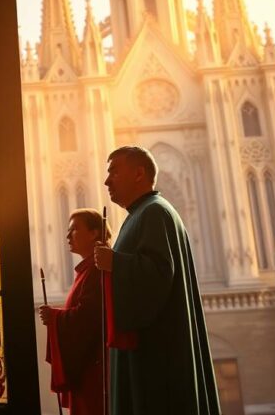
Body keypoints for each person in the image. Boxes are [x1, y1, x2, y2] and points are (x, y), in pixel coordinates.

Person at [94, 146, 220, 415]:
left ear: (139, 173)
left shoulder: (154, 212)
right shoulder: (141, 214)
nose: (107, 181)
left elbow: (159, 274)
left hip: (156, 357)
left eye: (114, 172)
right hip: (147, 351)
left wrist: (114, 262)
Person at [39, 208, 110, 415]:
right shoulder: (88, 269)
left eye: (74, 230)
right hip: (87, 369)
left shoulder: (97, 269)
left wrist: (54, 317)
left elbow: (89, 318)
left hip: (94, 370)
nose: (68, 236)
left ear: (95, 232)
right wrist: (56, 316)